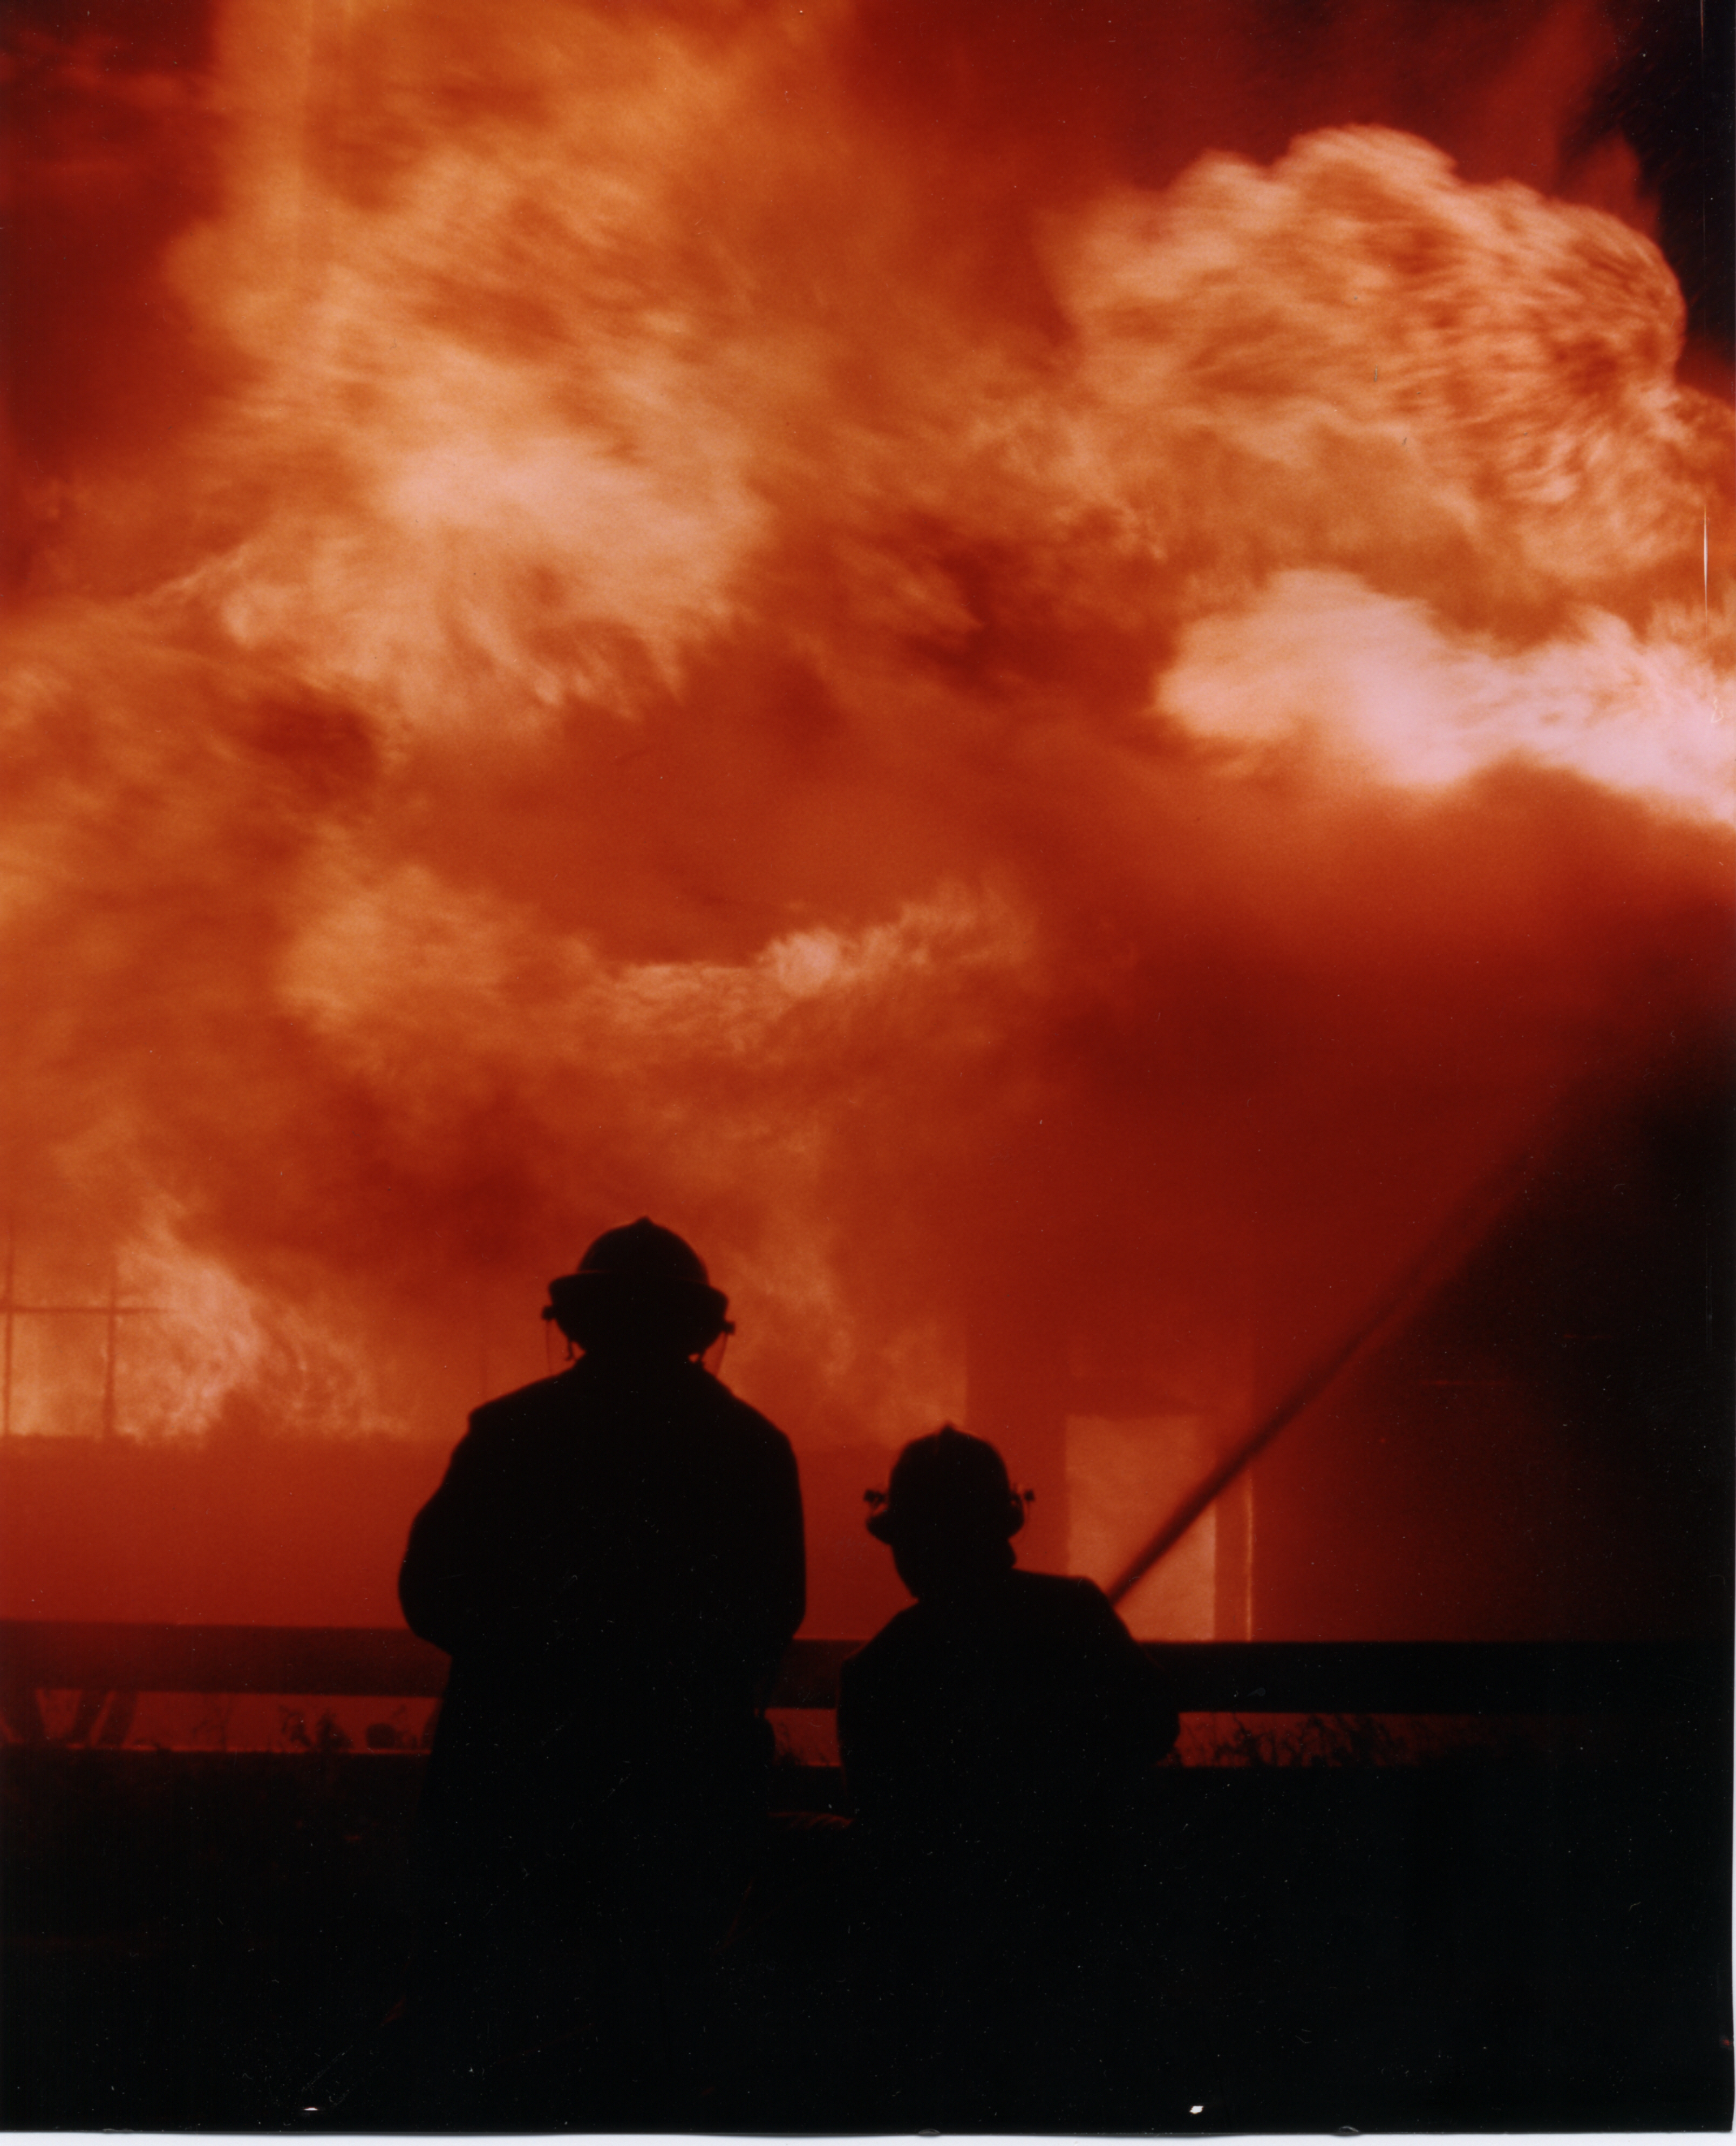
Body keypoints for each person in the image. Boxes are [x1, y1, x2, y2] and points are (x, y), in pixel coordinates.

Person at [396, 1219, 804, 2122]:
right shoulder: (749, 1449)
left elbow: (429, 1594)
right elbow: (774, 1611)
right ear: (698, 1332)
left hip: (512, 1780)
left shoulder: (508, 1435)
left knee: (489, 2022)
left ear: (577, 1323)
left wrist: (530, 1663)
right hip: (679, 1786)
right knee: (656, 2024)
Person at [837, 1424, 1178, 2128]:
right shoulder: (1076, 1611)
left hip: (944, 1962)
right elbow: (1153, 1725)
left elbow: (882, 1821)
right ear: (1002, 1526)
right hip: (1089, 1931)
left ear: (910, 1544)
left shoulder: (881, 1669)